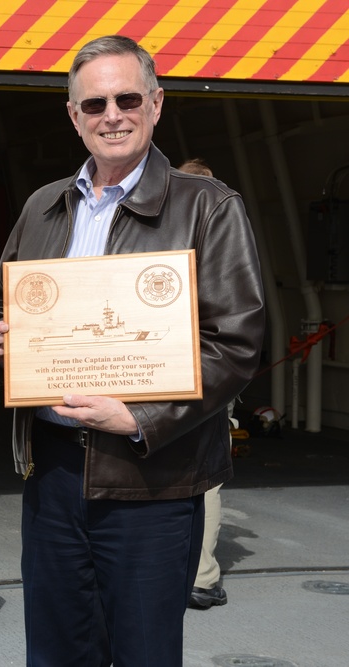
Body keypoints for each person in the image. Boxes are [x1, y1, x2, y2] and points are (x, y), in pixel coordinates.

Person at [0, 36, 265, 666]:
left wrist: (141, 419)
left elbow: (235, 343)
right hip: (54, 475)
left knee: (144, 654)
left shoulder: (209, 207)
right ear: (74, 116)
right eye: (94, 104)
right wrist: (6, 343)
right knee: (57, 654)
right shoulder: (43, 206)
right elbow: (7, 303)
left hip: (152, 480)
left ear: (157, 104)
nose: (111, 114)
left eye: (127, 97)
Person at [177, 157, 229, 610]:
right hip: (207, 371)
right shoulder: (221, 237)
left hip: (172, 366)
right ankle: (203, 575)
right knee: (205, 475)